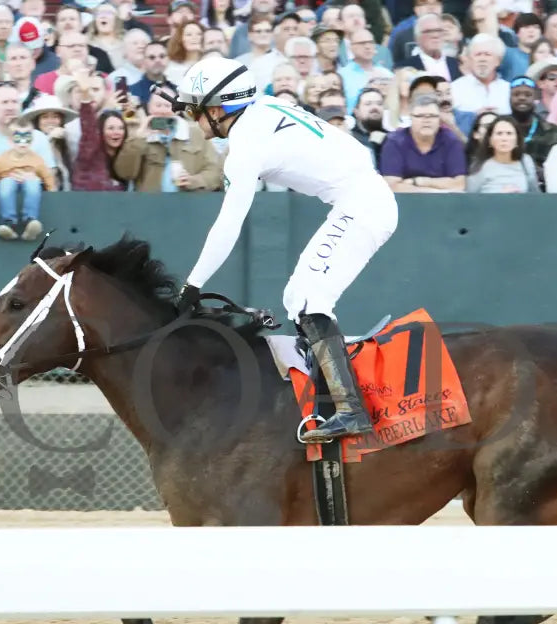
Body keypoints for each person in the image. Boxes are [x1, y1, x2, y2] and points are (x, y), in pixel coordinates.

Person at [170, 56, 399, 443]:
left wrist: (191, 285)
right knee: (297, 297)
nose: (194, 120)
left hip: (362, 204)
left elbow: (229, 224)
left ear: (216, 109)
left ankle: (350, 410)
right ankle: (330, 399)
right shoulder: (264, 107)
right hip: (363, 197)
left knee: (308, 300)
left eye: (196, 111)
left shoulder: (244, 146)